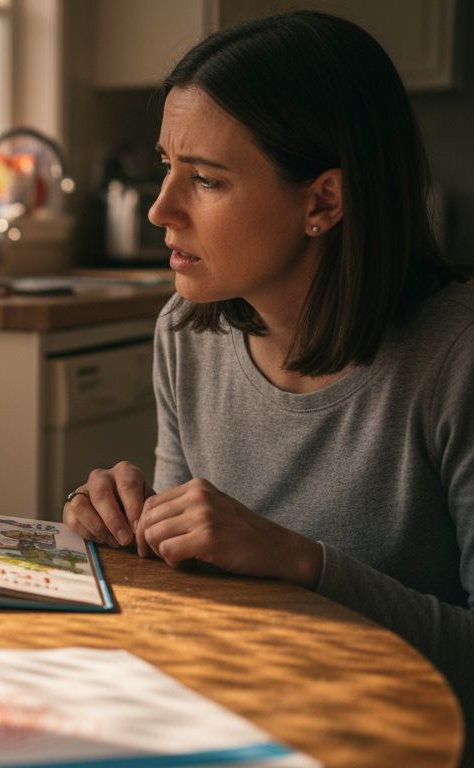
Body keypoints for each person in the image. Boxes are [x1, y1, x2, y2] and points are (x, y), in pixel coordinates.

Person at [62, 10, 473, 741]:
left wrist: (301, 562)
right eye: (166, 167)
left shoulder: (457, 360)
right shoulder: (186, 336)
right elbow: (190, 586)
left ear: (323, 202)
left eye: (207, 180)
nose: (162, 210)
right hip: (240, 718)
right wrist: (130, 535)